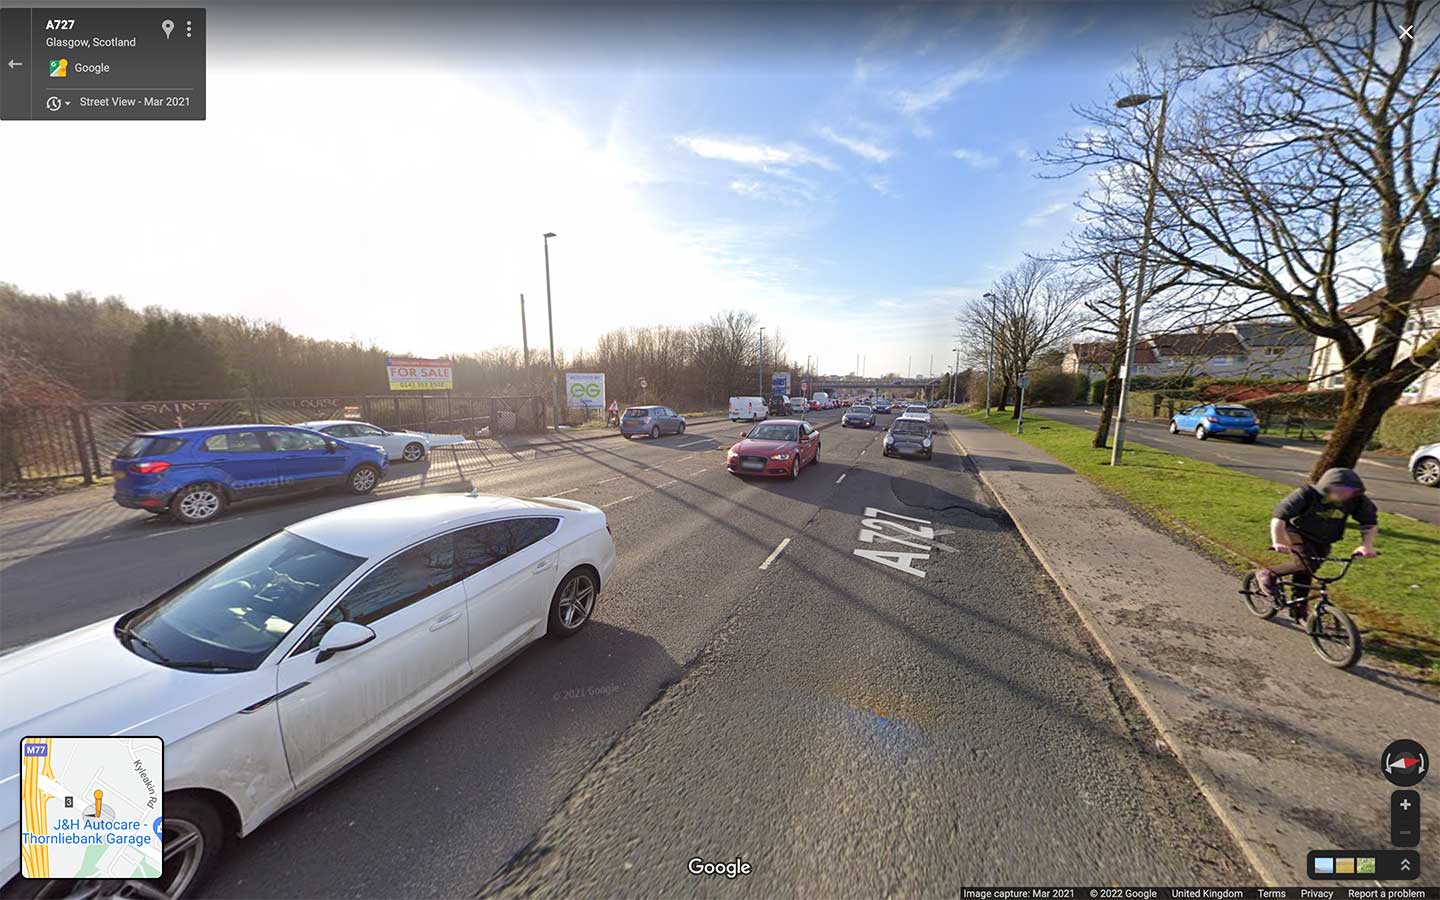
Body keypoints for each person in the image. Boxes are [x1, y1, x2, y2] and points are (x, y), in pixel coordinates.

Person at [1257, 467, 1379, 622]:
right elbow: (1279, 517)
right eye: (1338, 489)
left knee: (1309, 569)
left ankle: (1298, 608)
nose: (1343, 494)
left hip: (1324, 538)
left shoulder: (1358, 501)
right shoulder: (1306, 494)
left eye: (1349, 490)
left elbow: (1369, 524)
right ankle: (1268, 573)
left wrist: (1367, 546)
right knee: (1305, 564)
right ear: (1326, 486)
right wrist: (1278, 541)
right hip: (1296, 531)